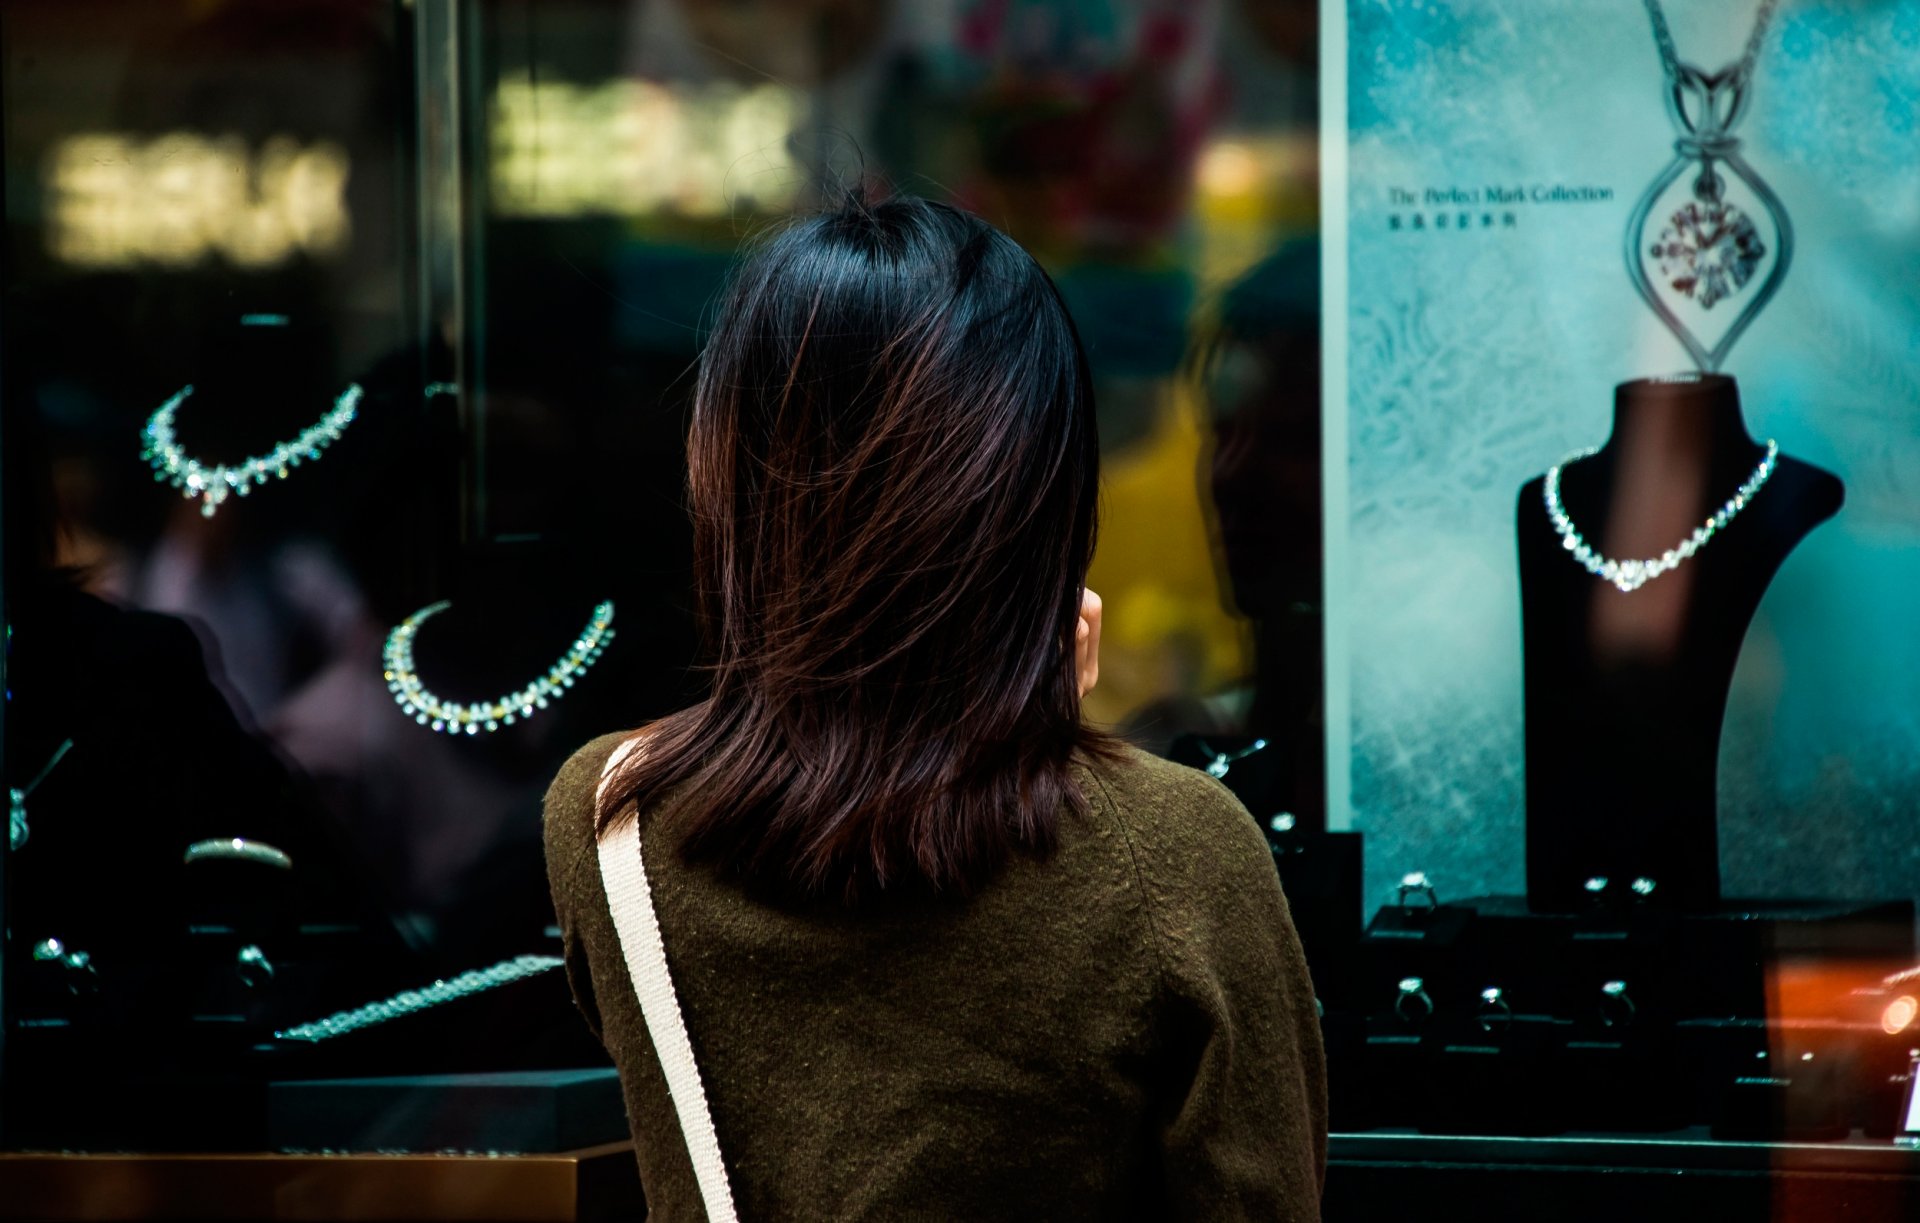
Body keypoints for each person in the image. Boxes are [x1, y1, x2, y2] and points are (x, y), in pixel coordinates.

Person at [543, 195, 1325, 1220]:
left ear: (724, 481)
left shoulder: (608, 818)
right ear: (1040, 492)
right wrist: (1037, 720)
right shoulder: (1180, 860)